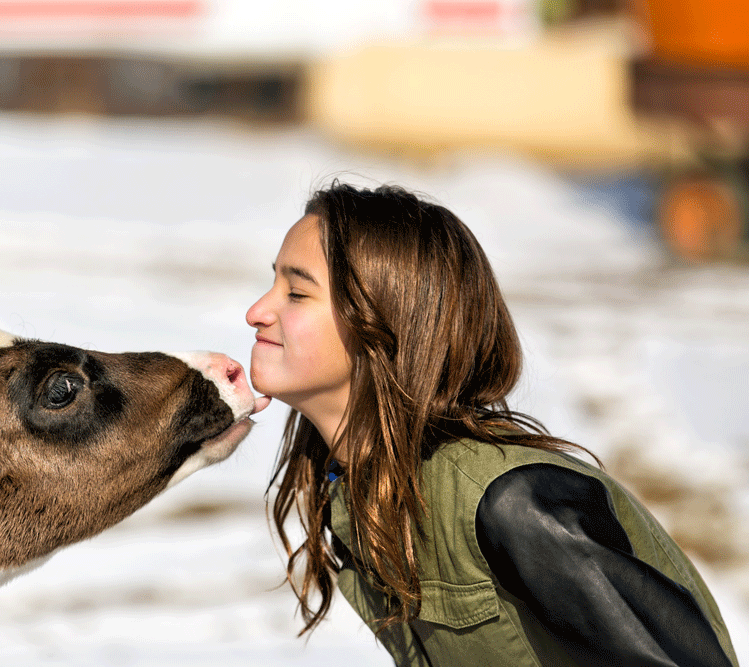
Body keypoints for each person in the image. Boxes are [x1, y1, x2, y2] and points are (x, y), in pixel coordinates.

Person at [245, 181, 739, 667]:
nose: (256, 311)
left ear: (385, 321)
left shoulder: (516, 504)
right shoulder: (362, 501)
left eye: (296, 292)